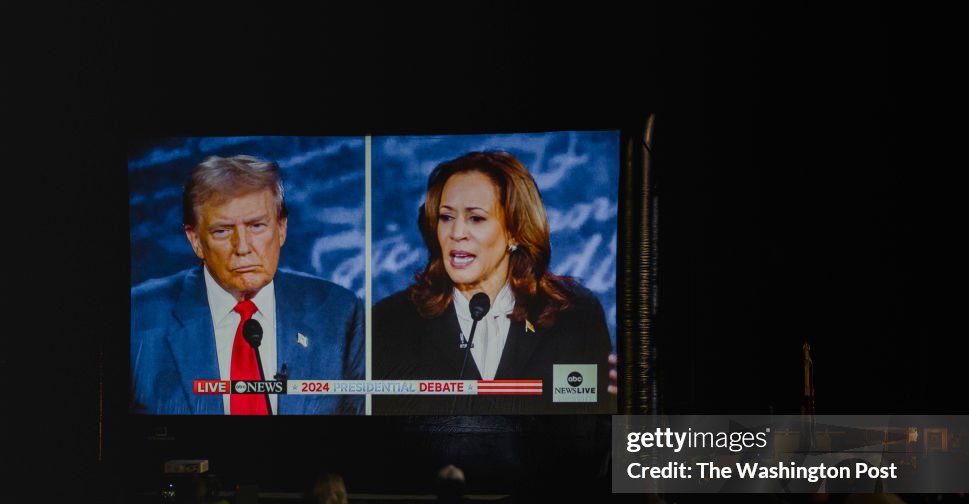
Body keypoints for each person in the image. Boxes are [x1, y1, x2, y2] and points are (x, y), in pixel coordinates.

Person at [372, 151, 614, 414]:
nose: (456, 233)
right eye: (446, 217)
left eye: (476, 218)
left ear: (514, 231)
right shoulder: (392, 320)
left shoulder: (574, 313)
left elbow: (593, 430)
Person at [131, 154, 364, 414]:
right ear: (195, 240)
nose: (242, 248)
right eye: (222, 231)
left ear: (281, 228)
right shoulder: (139, 318)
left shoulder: (339, 312)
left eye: (257, 226)